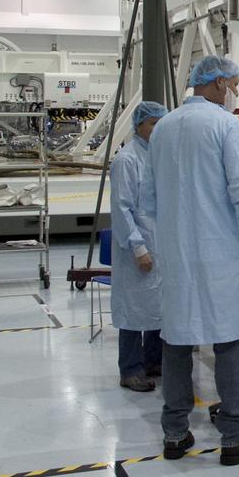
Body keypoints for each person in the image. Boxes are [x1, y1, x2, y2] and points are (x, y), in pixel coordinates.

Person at [142, 55, 239, 466]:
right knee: (233, 344)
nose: (234, 93)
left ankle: (175, 433)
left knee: (177, 343)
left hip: (177, 256)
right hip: (221, 254)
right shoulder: (226, 126)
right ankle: (237, 436)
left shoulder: (163, 127)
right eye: (234, 85)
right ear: (218, 83)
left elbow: (149, 198)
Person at [110, 101, 169, 392]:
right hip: (138, 246)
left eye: (162, 125)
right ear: (138, 126)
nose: (157, 130)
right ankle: (130, 370)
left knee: (158, 306)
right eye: (153, 125)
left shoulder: (159, 157)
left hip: (161, 242)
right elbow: (122, 210)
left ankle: (153, 361)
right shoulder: (127, 160)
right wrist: (139, 248)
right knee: (134, 310)